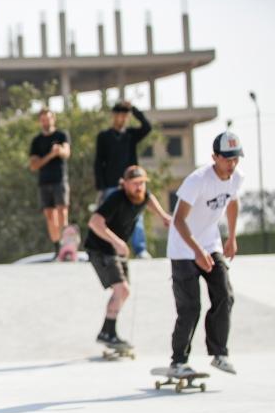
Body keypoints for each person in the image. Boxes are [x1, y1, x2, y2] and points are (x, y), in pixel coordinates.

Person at [165, 131, 245, 377]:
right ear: (214, 157)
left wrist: (231, 237)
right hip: (183, 248)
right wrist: (196, 251)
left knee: (225, 294)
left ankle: (219, 353)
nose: (231, 165)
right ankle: (178, 361)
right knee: (190, 307)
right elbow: (178, 220)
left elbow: (232, 202)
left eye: (235, 159)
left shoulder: (236, 178)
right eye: (227, 159)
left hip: (211, 244)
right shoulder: (197, 180)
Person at [85, 166, 171, 349]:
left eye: (141, 183)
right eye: (134, 184)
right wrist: (117, 242)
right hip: (100, 249)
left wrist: (163, 215)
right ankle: (108, 333)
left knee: (123, 292)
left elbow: (149, 199)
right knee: (121, 289)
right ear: (124, 184)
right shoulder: (116, 198)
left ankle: (107, 332)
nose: (139, 188)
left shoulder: (142, 195)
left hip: (115, 251)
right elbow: (94, 222)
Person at [94, 101, 152, 258]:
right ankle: (112, 248)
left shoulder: (131, 135)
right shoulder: (104, 137)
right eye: (120, 115)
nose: (122, 118)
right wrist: (101, 186)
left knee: (136, 215)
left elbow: (147, 127)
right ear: (114, 116)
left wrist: (134, 109)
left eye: (125, 115)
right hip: (112, 183)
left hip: (132, 182)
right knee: (111, 217)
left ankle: (140, 250)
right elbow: (99, 162)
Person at [29, 108, 71, 258]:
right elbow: (33, 165)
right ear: (40, 121)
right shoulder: (36, 141)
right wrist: (50, 155)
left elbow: (67, 153)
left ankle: (67, 245)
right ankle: (57, 247)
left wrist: (59, 151)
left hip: (60, 179)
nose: (46, 122)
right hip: (44, 181)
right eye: (43, 119)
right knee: (49, 215)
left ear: (54, 119)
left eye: (48, 118)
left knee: (62, 211)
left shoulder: (62, 135)